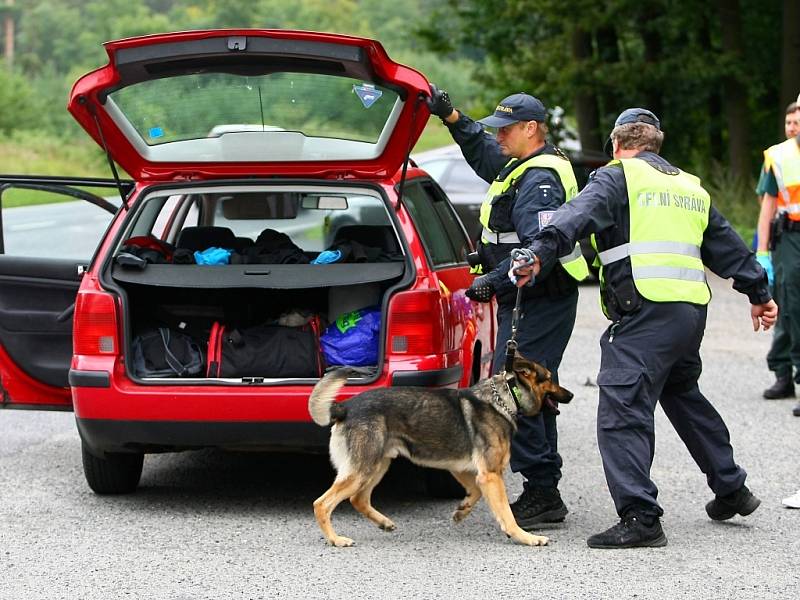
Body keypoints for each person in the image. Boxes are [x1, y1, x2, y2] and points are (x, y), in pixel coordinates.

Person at [508, 108, 777, 548]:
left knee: (622, 409)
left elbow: (574, 216)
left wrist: (537, 252)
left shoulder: (618, 177)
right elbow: (726, 244)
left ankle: (640, 516)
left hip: (645, 311)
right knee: (682, 395)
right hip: (689, 313)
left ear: (616, 145)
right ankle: (731, 488)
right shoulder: (690, 186)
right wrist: (759, 294)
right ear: (657, 143)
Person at [426, 86, 590, 530]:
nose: (498, 136)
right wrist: (453, 118)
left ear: (531, 129)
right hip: (526, 297)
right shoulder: (523, 164)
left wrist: (490, 282)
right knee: (523, 388)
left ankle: (542, 492)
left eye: (506, 129)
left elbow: (540, 248)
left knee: (517, 391)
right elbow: (484, 154)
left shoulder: (541, 180)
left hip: (541, 296)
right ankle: (543, 485)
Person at [756, 99, 800, 414]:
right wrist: (761, 252)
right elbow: (768, 204)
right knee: (791, 304)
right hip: (791, 238)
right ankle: (786, 372)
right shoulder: (780, 156)